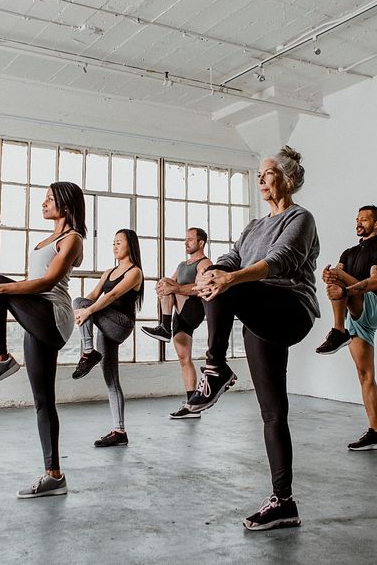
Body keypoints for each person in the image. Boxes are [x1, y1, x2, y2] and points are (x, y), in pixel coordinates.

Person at [191, 146, 320, 531]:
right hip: (260, 314)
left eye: (268, 174)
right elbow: (233, 258)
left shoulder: (301, 218)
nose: (261, 180)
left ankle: (215, 369)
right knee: (273, 412)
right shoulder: (252, 226)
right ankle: (284, 502)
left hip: (291, 308)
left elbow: (280, 260)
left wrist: (228, 279)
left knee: (225, 285)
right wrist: (212, 271)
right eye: (259, 175)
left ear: (289, 179)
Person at [0, 182, 86, 499]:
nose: (43, 202)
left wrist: (1, 290)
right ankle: (54, 476)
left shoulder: (73, 239)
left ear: (66, 204)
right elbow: (31, 283)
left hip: (54, 315)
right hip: (38, 318)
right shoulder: (46, 240)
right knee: (43, 400)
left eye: (50, 198)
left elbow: (47, 282)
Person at [315, 205, 377, 452]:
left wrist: (344, 289)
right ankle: (376, 434)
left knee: (338, 277)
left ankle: (339, 331)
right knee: (365, 374)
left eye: (365, 219)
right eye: (357, 219)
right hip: (354, 315)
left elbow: (375, 282)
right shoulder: (349, 252)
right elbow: (336, 273)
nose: (359, 223)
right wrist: (327, 276)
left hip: (372, 306)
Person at [70, 229, 144, 447]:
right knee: (111, 379)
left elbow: (112, 295)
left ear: (130, 245)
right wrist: (80, 312)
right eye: (113, 242)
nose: (114, 246)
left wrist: (87, 311)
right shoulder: (108, 272)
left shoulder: (135, 272)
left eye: (119, 242)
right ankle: (119, 431)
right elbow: (92, 297)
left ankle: (88, 352)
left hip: (121, 324)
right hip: (105, 323)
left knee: (82, 305)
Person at [141, 227, 211, 419]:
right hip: (180, 315)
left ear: (201, 243)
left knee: (169, 286)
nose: (186, 243)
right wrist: (161, 286)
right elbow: (169, 282)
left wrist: (174, 288)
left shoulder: (204, 264)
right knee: (184, 359)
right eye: (185, 239)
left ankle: (164, 327)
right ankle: (192, 406)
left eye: (190, 239)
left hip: (193, 309)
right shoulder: (182, 265)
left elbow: (201, 287)